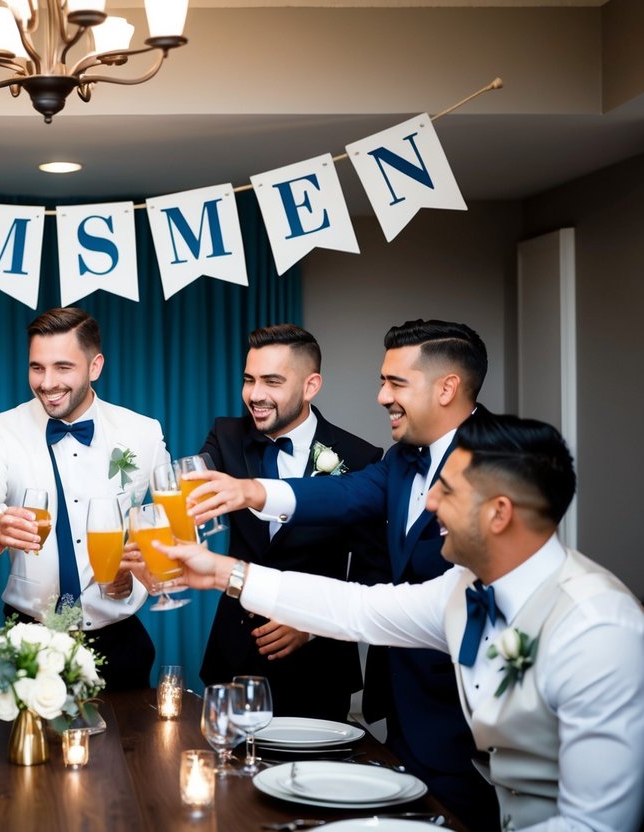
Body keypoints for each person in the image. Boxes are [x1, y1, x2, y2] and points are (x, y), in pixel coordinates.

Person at [168, 411, 644, 832]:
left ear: (500, 514)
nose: (429, 502)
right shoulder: (463, 589)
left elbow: (594, 823)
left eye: (448, 490)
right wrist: (222, 573)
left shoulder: (598, 629)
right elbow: (356, 608)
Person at [185, 319, 497, 827]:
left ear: (446, 388)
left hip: (464, 708)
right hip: (402, 700)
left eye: (396, 383)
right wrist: (251, 492)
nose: (381, 396)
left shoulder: (500, 458)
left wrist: (241, 577)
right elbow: (345, 494)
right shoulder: (402, 460)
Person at [0, 307, 166, 690]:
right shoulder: (2, 430)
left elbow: (172, 531)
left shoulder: (144, 433)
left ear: (95, 366)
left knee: (133, 749)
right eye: (36, 368)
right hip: (27, 643)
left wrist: (139, 575)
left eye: (62, 367)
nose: (47, 382)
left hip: (121, 644)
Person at [196, 324, 386, 721]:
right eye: (249, 380)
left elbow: (373, 573)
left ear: (311, 385)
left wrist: (313, 624)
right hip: (235, 653)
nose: (255, 395)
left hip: (318, 667)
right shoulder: (226, 435)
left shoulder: (360, 455)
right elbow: (193, 489)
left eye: (272, 381)